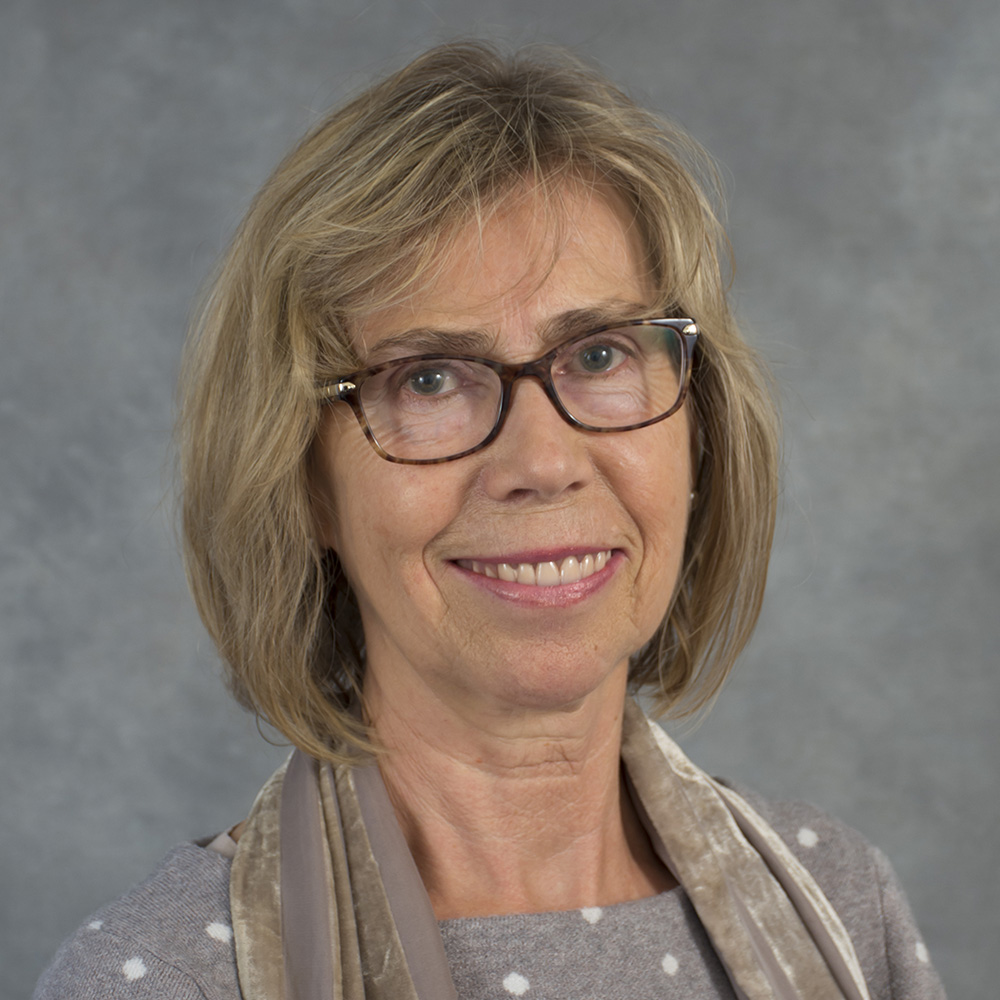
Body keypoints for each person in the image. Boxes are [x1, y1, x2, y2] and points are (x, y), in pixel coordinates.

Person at [35, 41, 947, 1000]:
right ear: (302, 480)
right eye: (428, 379)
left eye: (599, 356)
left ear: (699, 421)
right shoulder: (164, 977)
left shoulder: (843, 906)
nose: (542, 464)